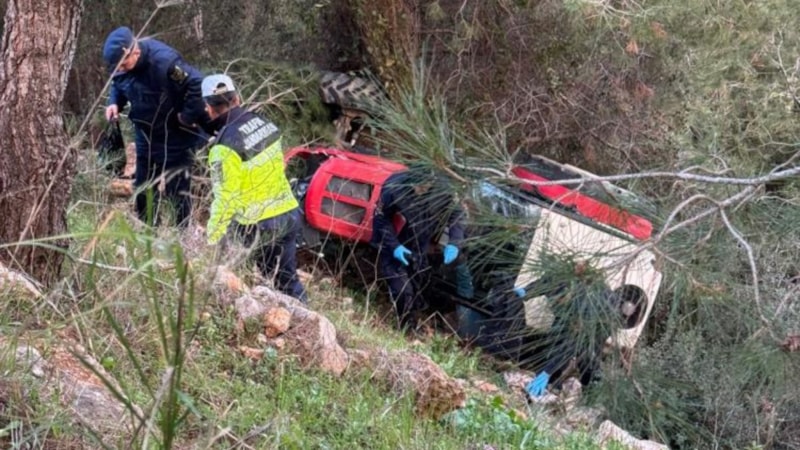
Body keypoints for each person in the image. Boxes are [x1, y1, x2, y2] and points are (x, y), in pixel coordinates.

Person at [201, 73, 307, 303]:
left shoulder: (224, 147)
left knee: (236, 279)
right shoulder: (265, 124)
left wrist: (213, 237)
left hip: (260, 225)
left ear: (208, 107)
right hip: (288, 212)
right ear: (236, 98)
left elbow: (225, 199)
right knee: (287, 282)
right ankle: (309, 324)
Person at [102, 26, 208, 227]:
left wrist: (187, 116)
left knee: (176, 191)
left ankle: (181, 236)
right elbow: (117, 84)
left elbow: (196, 84)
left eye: (123, 64)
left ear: (135, 52)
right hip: (145, 135)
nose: (120, 69)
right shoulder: (121, 68)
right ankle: (147, 232)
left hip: (176, 137)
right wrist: (114, 102)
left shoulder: (165, 62)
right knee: (143, 188)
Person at [371, 165, 467, 331]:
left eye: (425, 186)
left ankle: (415, 320)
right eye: (416, 186)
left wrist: (455, 242)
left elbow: (457, 215)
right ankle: (407, 328)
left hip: (422, 239)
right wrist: (394, 246)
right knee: (402, 289)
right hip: (394, 240)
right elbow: (381, 218)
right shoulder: (395, 186)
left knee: (419, 287)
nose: (420, 189)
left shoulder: (444, 190)